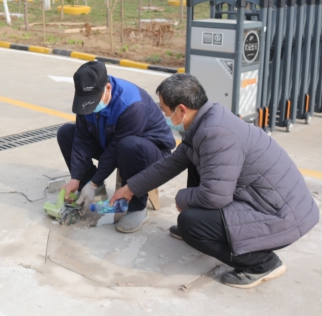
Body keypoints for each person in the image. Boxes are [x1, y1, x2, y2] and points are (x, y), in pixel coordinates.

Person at [112, 74, 319, 289]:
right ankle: (210, 225)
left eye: (165, 110)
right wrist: (130, 188)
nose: (164, 115)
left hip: (282, 214)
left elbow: (214, 197)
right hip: (269, 199)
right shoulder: (206, 122)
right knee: (193, 162)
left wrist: (182, 199)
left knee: (190, 224)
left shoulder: (215, 134)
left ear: (181, 109)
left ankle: (262, 263)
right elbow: (172, 162)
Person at [56, 61, 176, 233]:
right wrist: (76, 177)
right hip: (113, 144)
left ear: (108, 88)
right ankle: (94, 194)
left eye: (93, 101)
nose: (90, 106)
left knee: (128, 146)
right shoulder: (85, 102)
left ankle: (137, 208)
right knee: (66, 133)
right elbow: (82, 138)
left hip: (149, 152)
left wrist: (93, 183)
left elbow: (115, 149)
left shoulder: (132, 104)